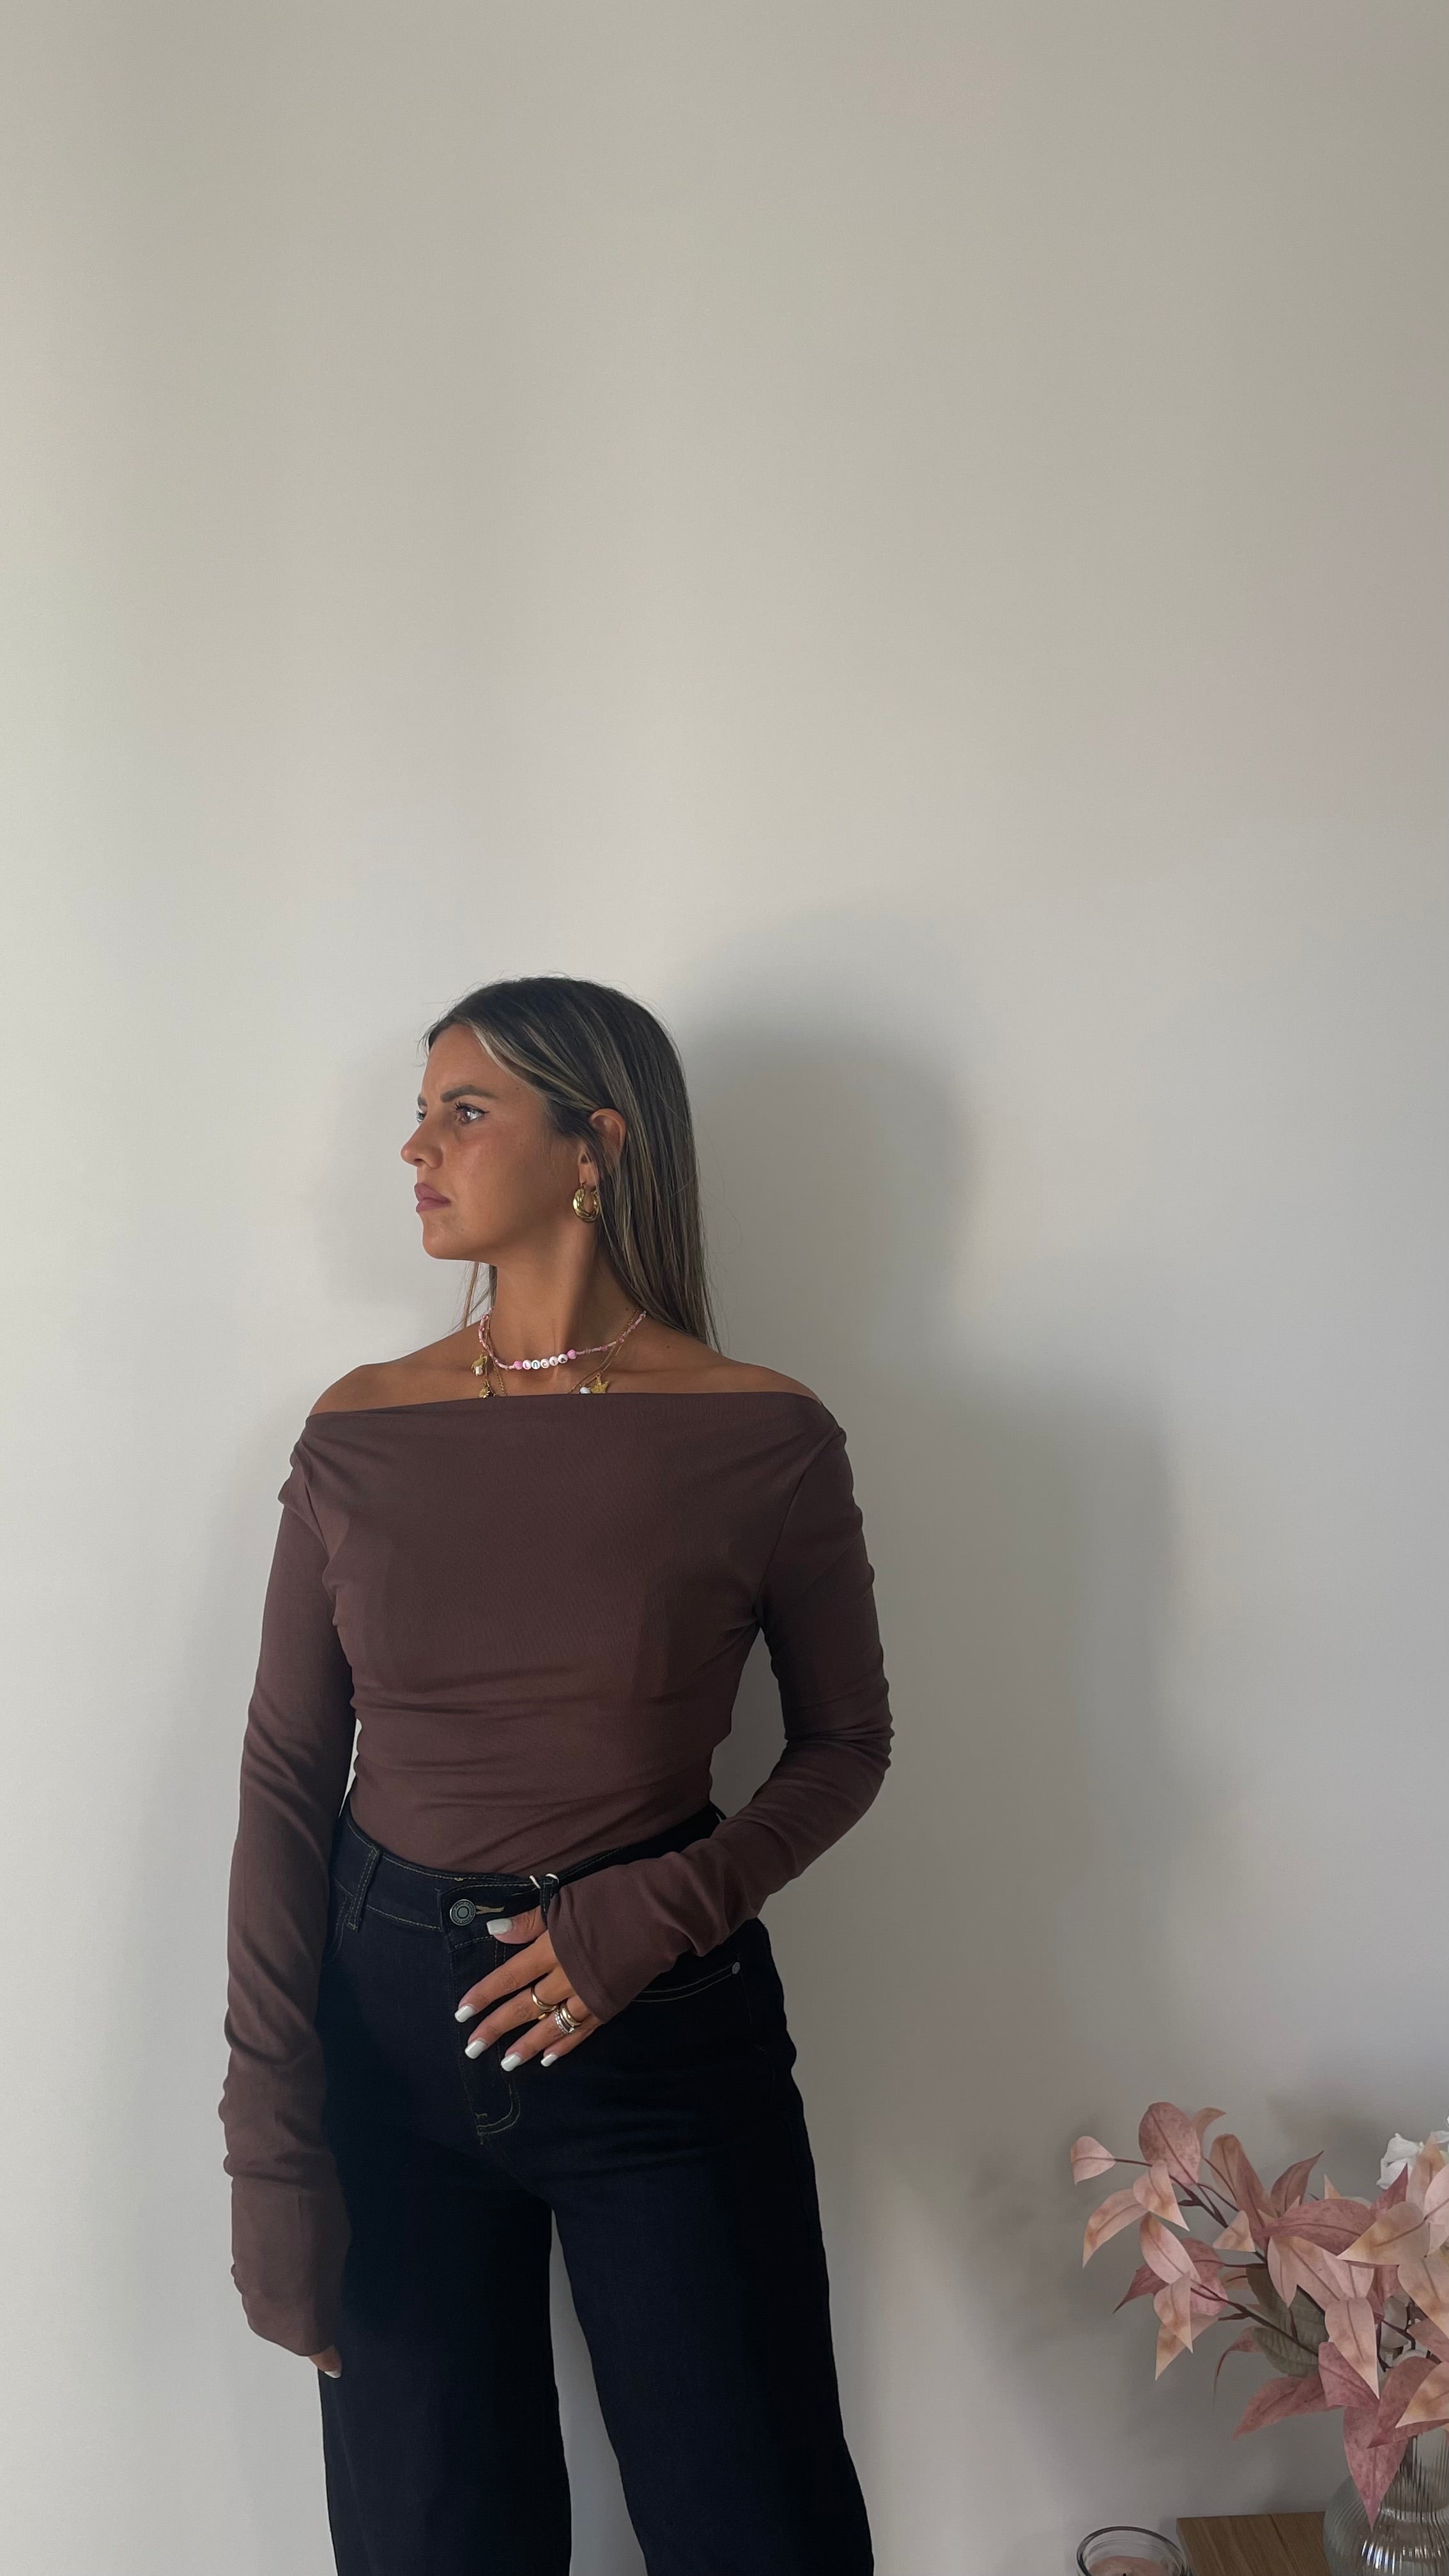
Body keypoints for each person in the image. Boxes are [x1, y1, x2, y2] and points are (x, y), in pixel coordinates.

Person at [218, 973, 894, 2576]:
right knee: (429, 2540)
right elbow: (287, 1779)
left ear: (595, 1145)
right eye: (421, 1112)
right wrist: (269, 2141)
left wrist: (649, 1915)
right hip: (387, 2052)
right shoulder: (358, 1431)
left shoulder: (763, 1437)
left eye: (465, 1112)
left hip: (662, 2038)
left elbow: (846, 1745)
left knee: (757, 2529)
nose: (415, 1149)